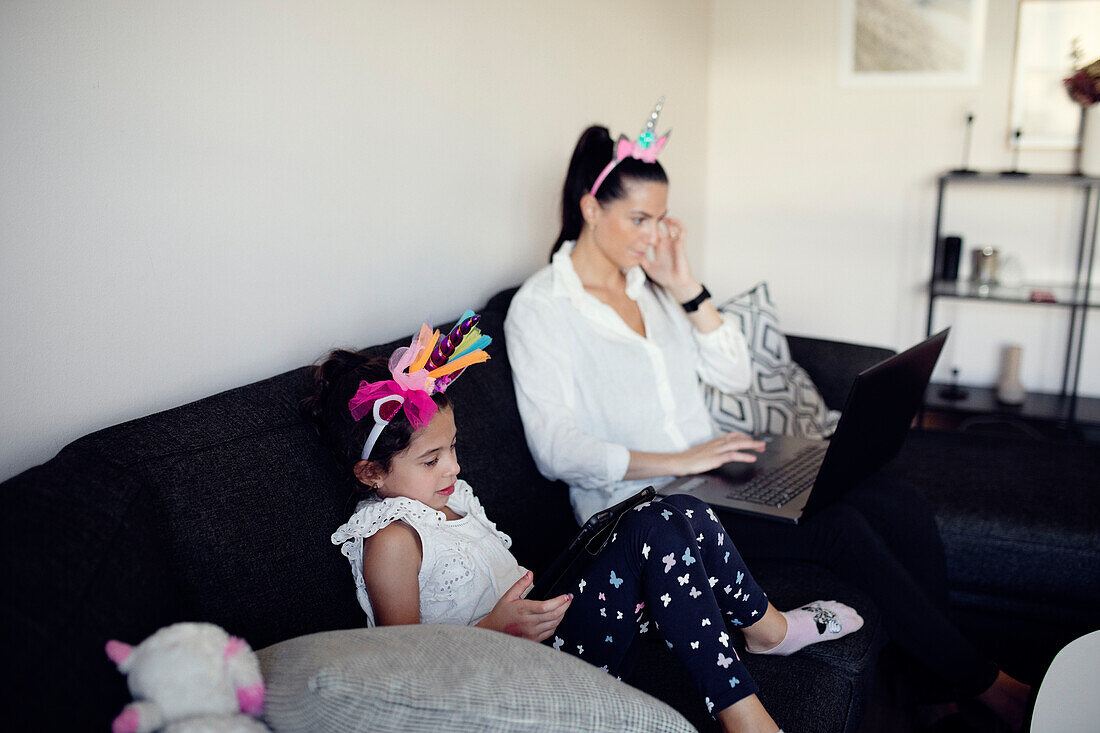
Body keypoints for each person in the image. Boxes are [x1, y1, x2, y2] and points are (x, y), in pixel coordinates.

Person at [503, 102, 1032, 731]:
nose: (654, 235)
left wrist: (687, 288)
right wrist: (683, 461)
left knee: (895, 498)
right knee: (838, 527)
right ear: (590, 208)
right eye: (638, 219)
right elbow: (554, 449)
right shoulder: (541, 309)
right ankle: (990, 686)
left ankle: (933, 689)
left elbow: (734, 374)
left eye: (662, 219)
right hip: (647, 506)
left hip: (714, 477)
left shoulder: (651, 288)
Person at [303, 314, 864, 733]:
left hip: (544, 633)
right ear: (371, 473)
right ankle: (748, 716)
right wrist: (498, 627)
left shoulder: (447, 496)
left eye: (452, 448)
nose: (453, 466)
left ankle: (769, 631)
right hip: (513, 675)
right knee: (652, 534)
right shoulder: (391, 539)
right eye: (431, 460)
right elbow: (403, 669)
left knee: (681, 513)